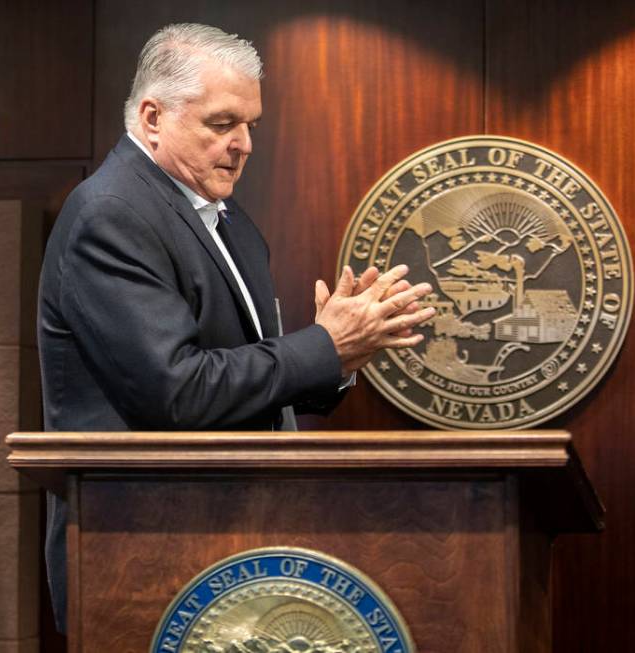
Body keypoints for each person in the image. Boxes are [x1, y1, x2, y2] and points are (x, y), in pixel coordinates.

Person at [36, 23, 435, 631]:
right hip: (140, 551)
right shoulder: (111, 215)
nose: (244, 144)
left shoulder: (230, 221)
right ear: (151, 118)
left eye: (250, 125)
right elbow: (180, 393)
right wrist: (321, 346)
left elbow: (249, 380)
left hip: (235, 544)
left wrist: (340, 355)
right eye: (222, 124)